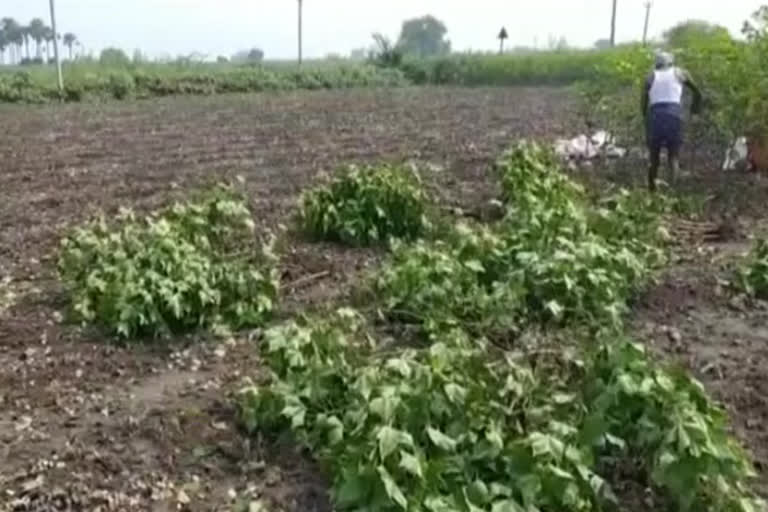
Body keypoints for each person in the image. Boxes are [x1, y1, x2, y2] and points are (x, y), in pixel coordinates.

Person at [641, 51, 703, 191]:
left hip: (655, 116)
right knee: (673, 157)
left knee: (654, 158)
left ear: (657, 64)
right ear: (671, 62)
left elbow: (643, 101)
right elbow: (697, 92)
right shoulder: (680, 73)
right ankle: (672, 192)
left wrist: (646, 119)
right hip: (674, 116)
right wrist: (695, 111)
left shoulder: (651, 76)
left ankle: (652, 191)